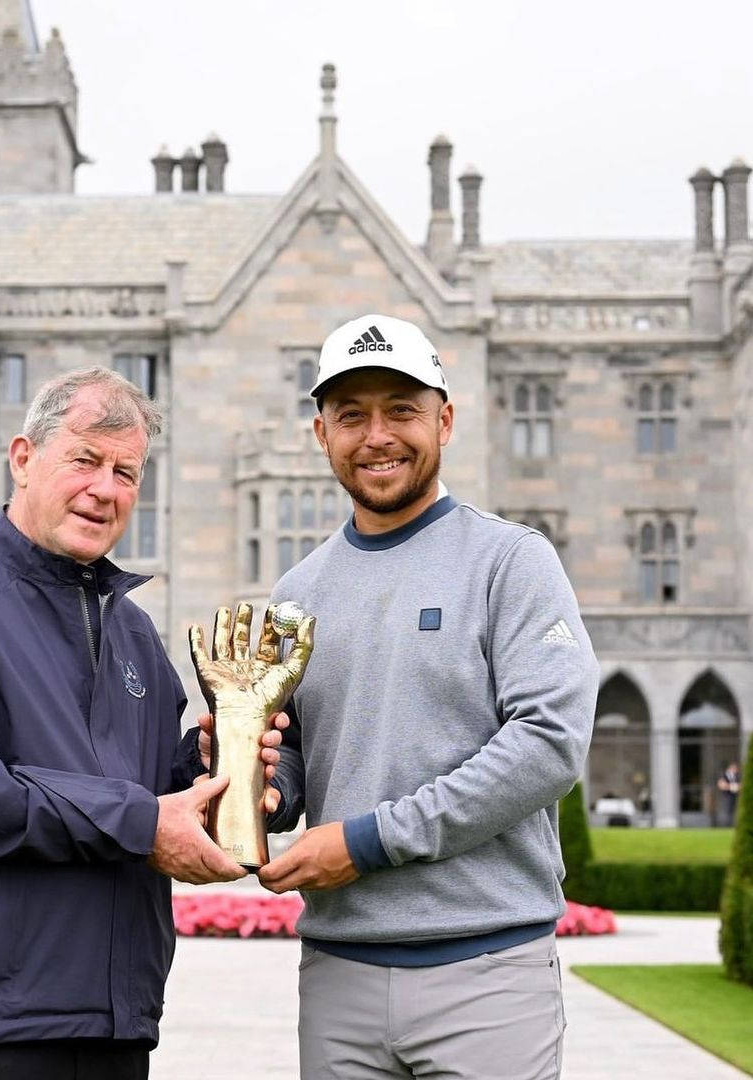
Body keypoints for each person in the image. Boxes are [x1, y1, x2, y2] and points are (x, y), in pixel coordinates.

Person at [0, 367, 286, 1080]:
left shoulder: (135, 633)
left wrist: (216, 771)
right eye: (85, 459)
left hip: (116, 1025)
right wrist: (145, 822)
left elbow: (145, 794)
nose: (106, 489)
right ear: (24, 459)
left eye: (127, 471)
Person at [256, 314, 600, 1079]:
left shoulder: (509, 562)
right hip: (338, 975)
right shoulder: (295, 594)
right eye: (351, 415)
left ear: (444, 419)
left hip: (487, 974)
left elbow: (547, 746)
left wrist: (365, 843)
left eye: (401, 410)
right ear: (322, 433)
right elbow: (302, 761)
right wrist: (257, 782)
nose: (377, 435)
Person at [717, 761, 742, 826]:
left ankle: (733, 824)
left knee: (734, 811)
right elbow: (721, 784)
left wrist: (736, 787)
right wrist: (731, 787)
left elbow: (741, 785)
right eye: (734, 768)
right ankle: (725, 825)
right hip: (726, 796)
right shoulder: (724, 775)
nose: (736, 770)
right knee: (726, 811)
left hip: (734, 796)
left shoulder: (737, 776)